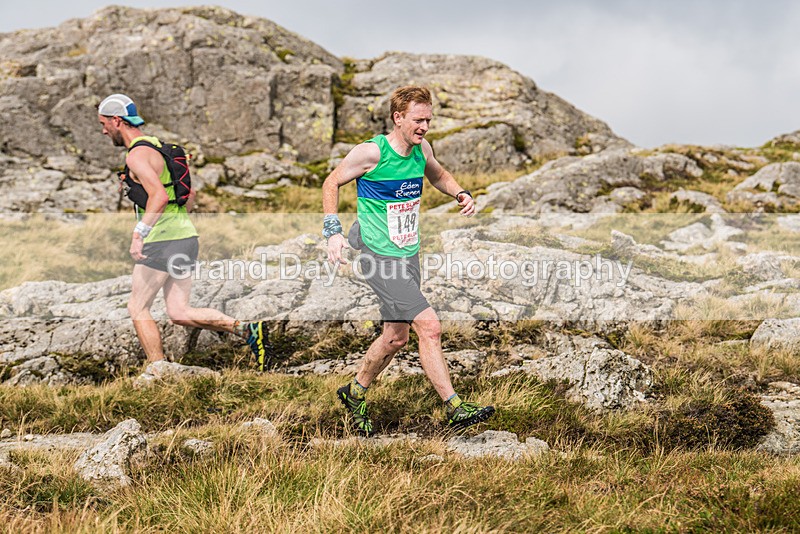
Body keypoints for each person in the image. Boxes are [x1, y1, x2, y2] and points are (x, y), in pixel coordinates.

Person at [322, 85, 495, 436]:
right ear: (398, 117)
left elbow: (438, 175)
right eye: (418, 120)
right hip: (378, 257)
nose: (425, 127)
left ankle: (355, 392)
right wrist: (333, 232)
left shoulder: (421, 149)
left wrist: (460, 192)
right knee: (429, 326)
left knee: (396, 336)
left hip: (408, 255)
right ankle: (455, 407)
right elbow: (331, 182)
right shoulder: (371, 153)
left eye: (429, 119)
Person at [97, 93, 272, 371]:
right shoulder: (161, 149)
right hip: (186, 237)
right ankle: (247, 330)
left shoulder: (137, 156)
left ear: (117, 121)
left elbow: (159, 197)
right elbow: (187, 198)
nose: (104, 130)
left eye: (104, 123)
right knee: (179, 312)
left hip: (162, 240)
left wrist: (139, 233)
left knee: (137, 307)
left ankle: (158, 370)